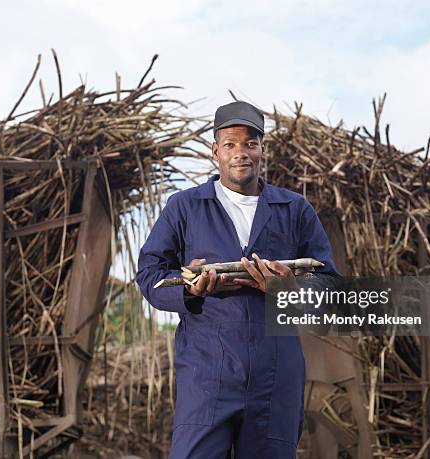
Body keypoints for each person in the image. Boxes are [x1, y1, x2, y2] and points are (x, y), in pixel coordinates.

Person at [136, 101, 339, 458]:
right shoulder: (184, 207)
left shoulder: (294, 209)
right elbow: (150, 274)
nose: (240, 153)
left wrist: (287, 290)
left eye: (250, 143)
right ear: (215, 151)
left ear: (263, 150)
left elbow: (328, 286)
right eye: (230, 144)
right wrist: (189, 290)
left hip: (275, 377)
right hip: (206, 372)